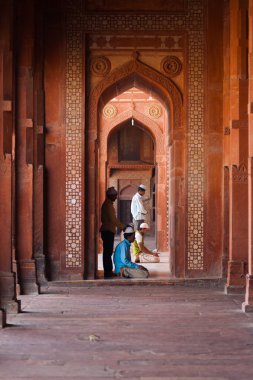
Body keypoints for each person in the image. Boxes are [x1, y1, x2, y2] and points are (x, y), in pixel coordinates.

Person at [100, 187, 124, 279]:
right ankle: (107, 272)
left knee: (108, 252)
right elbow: (113, 219)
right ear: (110, 196)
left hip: (108, 230)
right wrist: (122, 227)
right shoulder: (108, 205)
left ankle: (108, 271)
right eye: (115, 196)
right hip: (107, 230)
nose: (116, 197)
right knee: (107, 252)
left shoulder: (108, 204)